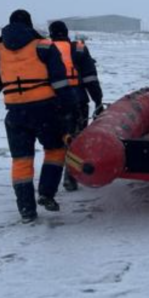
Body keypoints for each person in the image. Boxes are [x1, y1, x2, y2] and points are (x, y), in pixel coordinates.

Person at [0, 9, 77, 223]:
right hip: (46, 111)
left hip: (16, 114)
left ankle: (26, 209)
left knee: (21, 161)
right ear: (30, 25)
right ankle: (46, 193)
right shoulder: (43, 46)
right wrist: (70, 108)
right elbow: (60, 82)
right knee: (55, 150)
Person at [46, 20, 105, 191]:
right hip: (78, 100)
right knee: (76, 139)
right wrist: (98, 99)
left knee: (57, 142)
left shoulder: (44, 50)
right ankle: (70, 177)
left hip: (53, 101)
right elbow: (90, 78)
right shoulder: (78, 49)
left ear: (51, 34)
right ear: (66, 33)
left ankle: (50, 180)